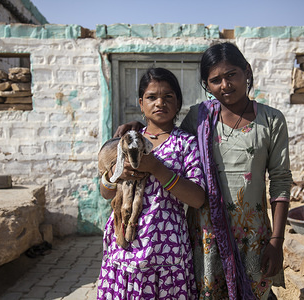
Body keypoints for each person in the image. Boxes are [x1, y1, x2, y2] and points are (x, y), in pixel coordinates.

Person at [115, 42, 292, 300]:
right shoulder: (200, 117)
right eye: (215, 80)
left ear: (247, 72)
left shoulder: (271, 120)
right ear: (206, 85)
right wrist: (140, 127)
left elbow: (280, 181)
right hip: (205, 237)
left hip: (253, 237)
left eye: (231, 75)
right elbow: (166, 136)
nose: (225, 85)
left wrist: (277, 240)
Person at [97, 67, 206, 300]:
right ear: (140, 102)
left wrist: (156, 168)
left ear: (178, 102)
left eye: (168, 96)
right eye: (151, 97)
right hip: (124, 244)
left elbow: (197, 198)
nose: (160, 103)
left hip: (165, 248)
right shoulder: (128, 141)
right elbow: (106, 192)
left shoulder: (186, 144)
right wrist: (115, 175)